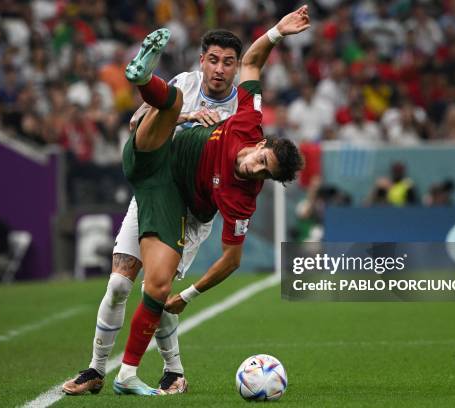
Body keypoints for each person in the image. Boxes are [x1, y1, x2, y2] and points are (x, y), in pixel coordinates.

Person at [110, 6, 307, 396]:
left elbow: (232, 259)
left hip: (170, 196)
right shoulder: (249, 118)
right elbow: (253, 60)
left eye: (265, 173)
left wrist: (190, 295)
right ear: (261, 144)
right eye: (261, 160)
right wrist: (278, 32)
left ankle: (126, 376)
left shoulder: (241, 199)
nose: (255, 169)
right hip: (155, 158)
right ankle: (144, 77)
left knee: (159, 285)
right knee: (173, 103)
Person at [63, 30, 243, 395]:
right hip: (153, 190)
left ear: (238, 67)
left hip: (190, 210)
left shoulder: (241, 112)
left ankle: (172, 371)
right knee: (117, 285)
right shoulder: (184, 85)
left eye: (228, 62)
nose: (220, 69)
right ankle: (96, 370)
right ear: (201, 61)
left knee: (154, 290)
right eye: (213, 60)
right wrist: (186, 116)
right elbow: (135, 122)